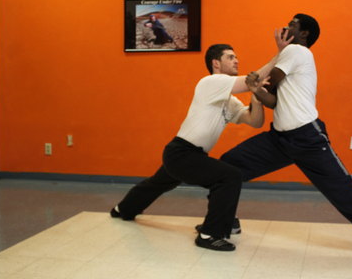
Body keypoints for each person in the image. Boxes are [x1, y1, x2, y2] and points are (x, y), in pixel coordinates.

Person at [219, 14, 352, 266]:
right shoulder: (291, 55)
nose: (287, 27)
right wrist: (256, 89)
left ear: (305, 34)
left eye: (294, 24)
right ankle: (224, 220)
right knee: (228, 166)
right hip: (279, 138)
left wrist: (264, 72)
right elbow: (272, 99)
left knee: (346, 192)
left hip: (307, 138)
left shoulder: (296, 51)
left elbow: (267, 80)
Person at [110, 39, 290, 251]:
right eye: (230, 57)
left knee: (157, 183)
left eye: (236, 57)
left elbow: (255, 121)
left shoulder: (229, 101)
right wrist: (282, 53)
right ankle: (209, 234)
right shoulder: (210, 83)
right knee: (229, 176)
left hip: (188, 156)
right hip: (181, 152)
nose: (236, 60)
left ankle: (122, 209)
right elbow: (255, 78)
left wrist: (256, 96)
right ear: (216, 63)